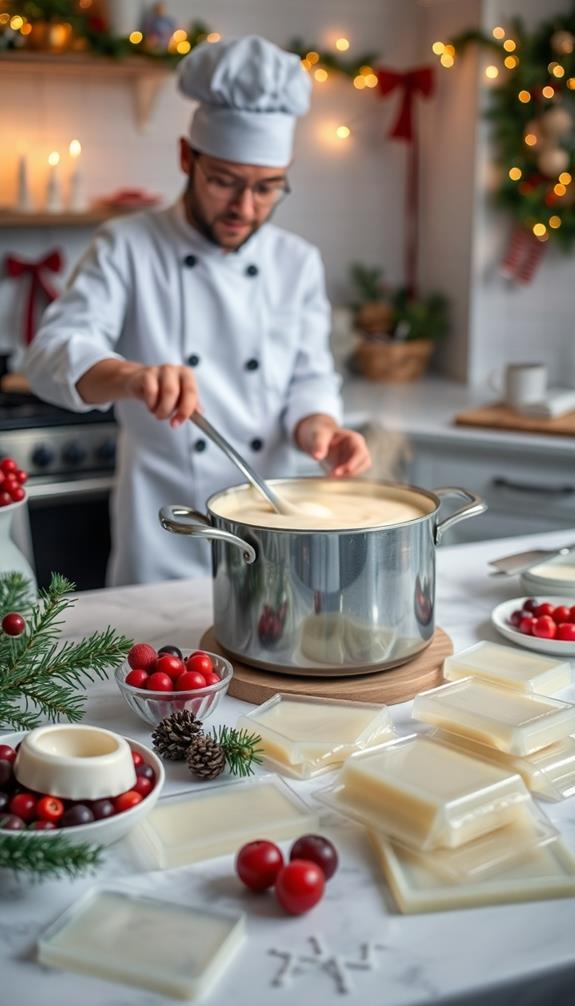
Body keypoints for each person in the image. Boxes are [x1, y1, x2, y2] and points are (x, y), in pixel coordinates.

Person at [26, 36, 371, 586]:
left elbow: (309, 377)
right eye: (224, 182)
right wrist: (132, 377)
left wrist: (321, 430)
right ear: (188, 157)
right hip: (166, 540)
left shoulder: (297, 261)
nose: (244, 208)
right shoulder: (127, 244)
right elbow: (48, 357)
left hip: (273, 538)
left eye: (267, 189)